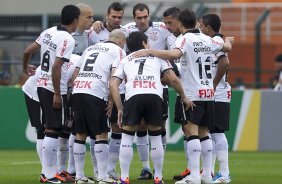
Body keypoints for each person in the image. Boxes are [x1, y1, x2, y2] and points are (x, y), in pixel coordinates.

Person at [133, 8, 234, 184]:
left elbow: (174, 54)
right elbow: (226, 47)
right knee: (204, 133)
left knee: (190, 131)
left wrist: (150, 52)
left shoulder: (184, 38)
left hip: (192, 93)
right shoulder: (207, 39)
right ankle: (206, 175)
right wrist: (229, 41)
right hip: (208, 93)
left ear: (180, 23)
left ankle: (194, 176)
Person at [109, 31, 193, 184]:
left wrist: (120, 108)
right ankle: (158, 178)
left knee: (127, 137)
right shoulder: (158, 57)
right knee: (155, 138)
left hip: (133, 96)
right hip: (154, 96)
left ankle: (124, 177)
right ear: (144, 44)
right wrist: (184, 96)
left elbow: (113, 84)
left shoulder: (126, 59)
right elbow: (172, 78)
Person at [22, 5, 80, 183]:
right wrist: (57, 93)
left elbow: (27, 51)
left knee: (49, 129)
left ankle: (48, 173)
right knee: (53, 130)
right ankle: (47, 175)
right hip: (53, 88)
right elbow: (56, 67)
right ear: (76, 20)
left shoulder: (49, 31)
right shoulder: (67, 39)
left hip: (41, 84)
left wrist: (25, 68)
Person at [71, 29, 126, 184]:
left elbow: (76, 73)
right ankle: (102, 176)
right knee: (101, 134)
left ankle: (80, 176)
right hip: (95, 92)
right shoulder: (119, 51)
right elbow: (114, 79)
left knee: (80, 134)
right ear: (122, 41)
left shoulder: (90, 48)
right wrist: (113, 102)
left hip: (79, 89)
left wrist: (77, 89)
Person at [123, 3, 171, 179]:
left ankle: (159, 169)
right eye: (139, 18)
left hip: (159, 85)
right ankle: (146, 168)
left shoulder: (162, 29)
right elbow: (111, 32)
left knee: (159, 127)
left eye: (145, 17)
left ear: (149, 16)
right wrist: (99, 24)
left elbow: (176, 33)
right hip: (136, 83)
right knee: (141, 127)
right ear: (134, 18)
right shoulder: (127, 29)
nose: (143, 21)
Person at [88, 2, 126, 180]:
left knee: (117, 128)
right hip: (96, 90)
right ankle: (97, 171)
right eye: (114, 17)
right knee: (97, 131)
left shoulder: (125, 32)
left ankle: (109, 168)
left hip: (119, 87)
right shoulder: (94, 32)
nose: (117, 20)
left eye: (120, 17)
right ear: (107, 15)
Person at [61, 4, 95, 182]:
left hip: (83, 90)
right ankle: (62, 170)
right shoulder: (67, 37)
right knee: (66, 131)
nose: (92, 21)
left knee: (76, 130)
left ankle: (70, 170)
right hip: (68, 90)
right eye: (89, 17)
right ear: (78, 18)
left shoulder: (91, 35)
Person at [199, 14, 232, 183]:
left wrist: (213, 85)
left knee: (217, 133)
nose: (199, 29)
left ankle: (224, 174)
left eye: (201, 26)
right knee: (211, 133)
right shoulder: (214, 42)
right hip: (214, 94)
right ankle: (210, 172)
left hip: (218, 94)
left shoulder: (217, 43)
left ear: (209, 28)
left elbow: (224, 63)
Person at [21, 67, 46, 182]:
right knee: (43, 130)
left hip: (43, 90)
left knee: (51, 131)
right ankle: (45, 172)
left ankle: (50, 170)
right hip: (34, 92)